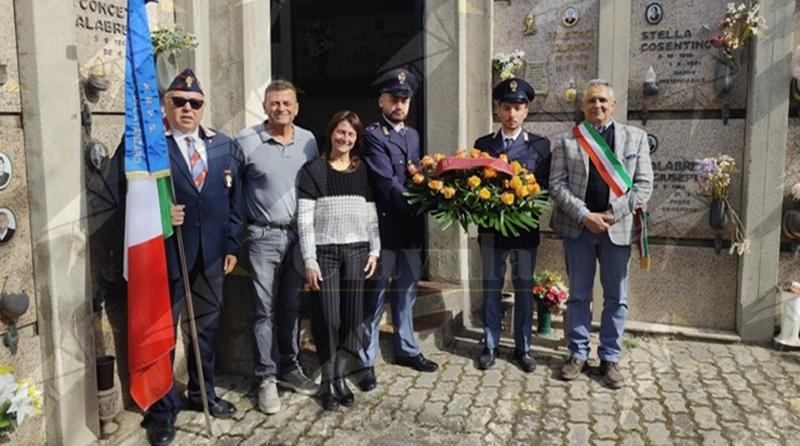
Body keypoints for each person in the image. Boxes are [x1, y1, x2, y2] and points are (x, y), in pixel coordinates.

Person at [143, 69, 243, 446]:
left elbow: (236, 202)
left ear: (203, 108)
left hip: (213, 256)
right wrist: (160, 211)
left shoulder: (223, 145)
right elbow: (128, 197)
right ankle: (162, 410)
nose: (187, 108)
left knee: (205, 330)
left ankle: (203, 394)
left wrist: (233, 245)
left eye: (194, 103)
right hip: (168, 255)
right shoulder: (152, 147)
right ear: (166, 106)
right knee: (165, 336)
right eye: (179, 102)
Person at [549, 79, 653, 389]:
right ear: (583, 106)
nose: (597, 106)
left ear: (613, 105)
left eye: (603, 101)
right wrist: (584, 215)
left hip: (616, 230)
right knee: (578, 296)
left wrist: (608, 215)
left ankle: (610, 357)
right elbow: (556, 186)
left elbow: (643, 186)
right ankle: (578, 353)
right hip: (579, 229)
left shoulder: (635, 138)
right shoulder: (567, 141)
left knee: (616, 298)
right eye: (591, 101)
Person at [236, 79, 319, 414]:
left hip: (298, 235)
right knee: (263, 310)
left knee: (290, 305)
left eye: (287, 103)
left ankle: (289, 367)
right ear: (265, 106)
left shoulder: (308, 141)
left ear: (296, 108)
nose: (281, 109)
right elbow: (233, 189)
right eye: (274, 103)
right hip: (262, 237)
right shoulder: (246, 140)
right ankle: (266, 378)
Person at [358, 68, 439, 392]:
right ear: (381, 100)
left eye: (404, 99)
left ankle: (407, 348)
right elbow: (386, 182)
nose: (400, 104)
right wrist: (421, 200)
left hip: (410, 227)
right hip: (384, 225)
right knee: (375, 294)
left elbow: (415, 172)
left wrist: (434, 191)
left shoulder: (412, 135)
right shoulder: (374, 135)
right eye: (394, 98)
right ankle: (366, 360)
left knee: (407, 291)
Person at [297, 110, 380, 410]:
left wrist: (375, 250)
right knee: (327, 318)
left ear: (356, 140)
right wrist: (309, 259)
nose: (345, 138)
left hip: (358, 252)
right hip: (326, 254)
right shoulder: (313, 171)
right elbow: (304, 221)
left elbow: (371, 217)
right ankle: (326, 383)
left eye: (351, 134)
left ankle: (340, 377)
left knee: (351, 319)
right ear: (331, 133)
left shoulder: (362, 171)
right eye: (340, 132)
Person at [473, 77, 551, 373]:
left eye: (518, 107)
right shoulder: (483, 145)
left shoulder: (540, 147)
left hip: (524, 231)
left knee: (523, 289)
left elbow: (543, 188)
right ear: (498, 110)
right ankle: (490, 343)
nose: (511, 114)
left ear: (526, 111)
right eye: (506, 107)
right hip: (491, 231)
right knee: (491, 287)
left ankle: (523, 347)